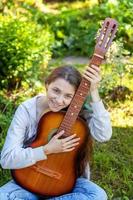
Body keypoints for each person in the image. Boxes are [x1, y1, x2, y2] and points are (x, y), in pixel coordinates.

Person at [0, 64, 112, 200]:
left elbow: (104, 135)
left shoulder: (78, 114)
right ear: (47, 84)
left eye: (68, 96)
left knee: (98, 195)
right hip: (28, 178)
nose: (59, 100)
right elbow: (6, 160)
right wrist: (47, 149)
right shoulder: (27, 110)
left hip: (66, 184)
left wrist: (94, 91)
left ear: (76, 97)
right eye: (56, 91)